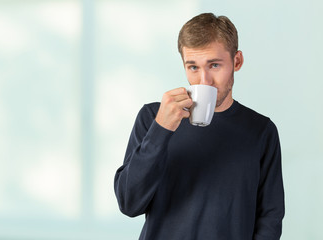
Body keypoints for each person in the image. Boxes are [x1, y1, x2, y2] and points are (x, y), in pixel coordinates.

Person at [114, 13, 284, 240]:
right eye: (193, 67)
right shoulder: (153, 117)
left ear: (237, 61)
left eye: (214, 65)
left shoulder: (261, 131)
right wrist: (161, 129)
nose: (204, 80)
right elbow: (129, 203)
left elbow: (270, 218)